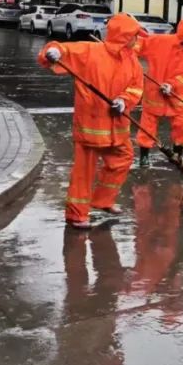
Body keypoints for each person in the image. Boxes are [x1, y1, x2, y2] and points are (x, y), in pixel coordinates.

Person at [39, 13, 145, 229]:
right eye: (134, 35)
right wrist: (53, 52)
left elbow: (136, 87)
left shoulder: (131, 60)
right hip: (91, 125)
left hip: (117, 126)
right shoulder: (91, 51)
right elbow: (65, 50)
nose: (137, 39)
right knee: (83, 172)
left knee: (124, 158)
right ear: (124, 36)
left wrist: (124, 101)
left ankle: (103, 200)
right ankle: (77, 215)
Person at [136, 19, 183, 167]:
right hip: (154, 94)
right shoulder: (160, 41)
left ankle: (178, 155)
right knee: (147, 126)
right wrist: (128, 53)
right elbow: (140, 44)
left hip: (177, 96)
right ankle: (144, 156)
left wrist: (171, 84)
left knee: (182, 125)